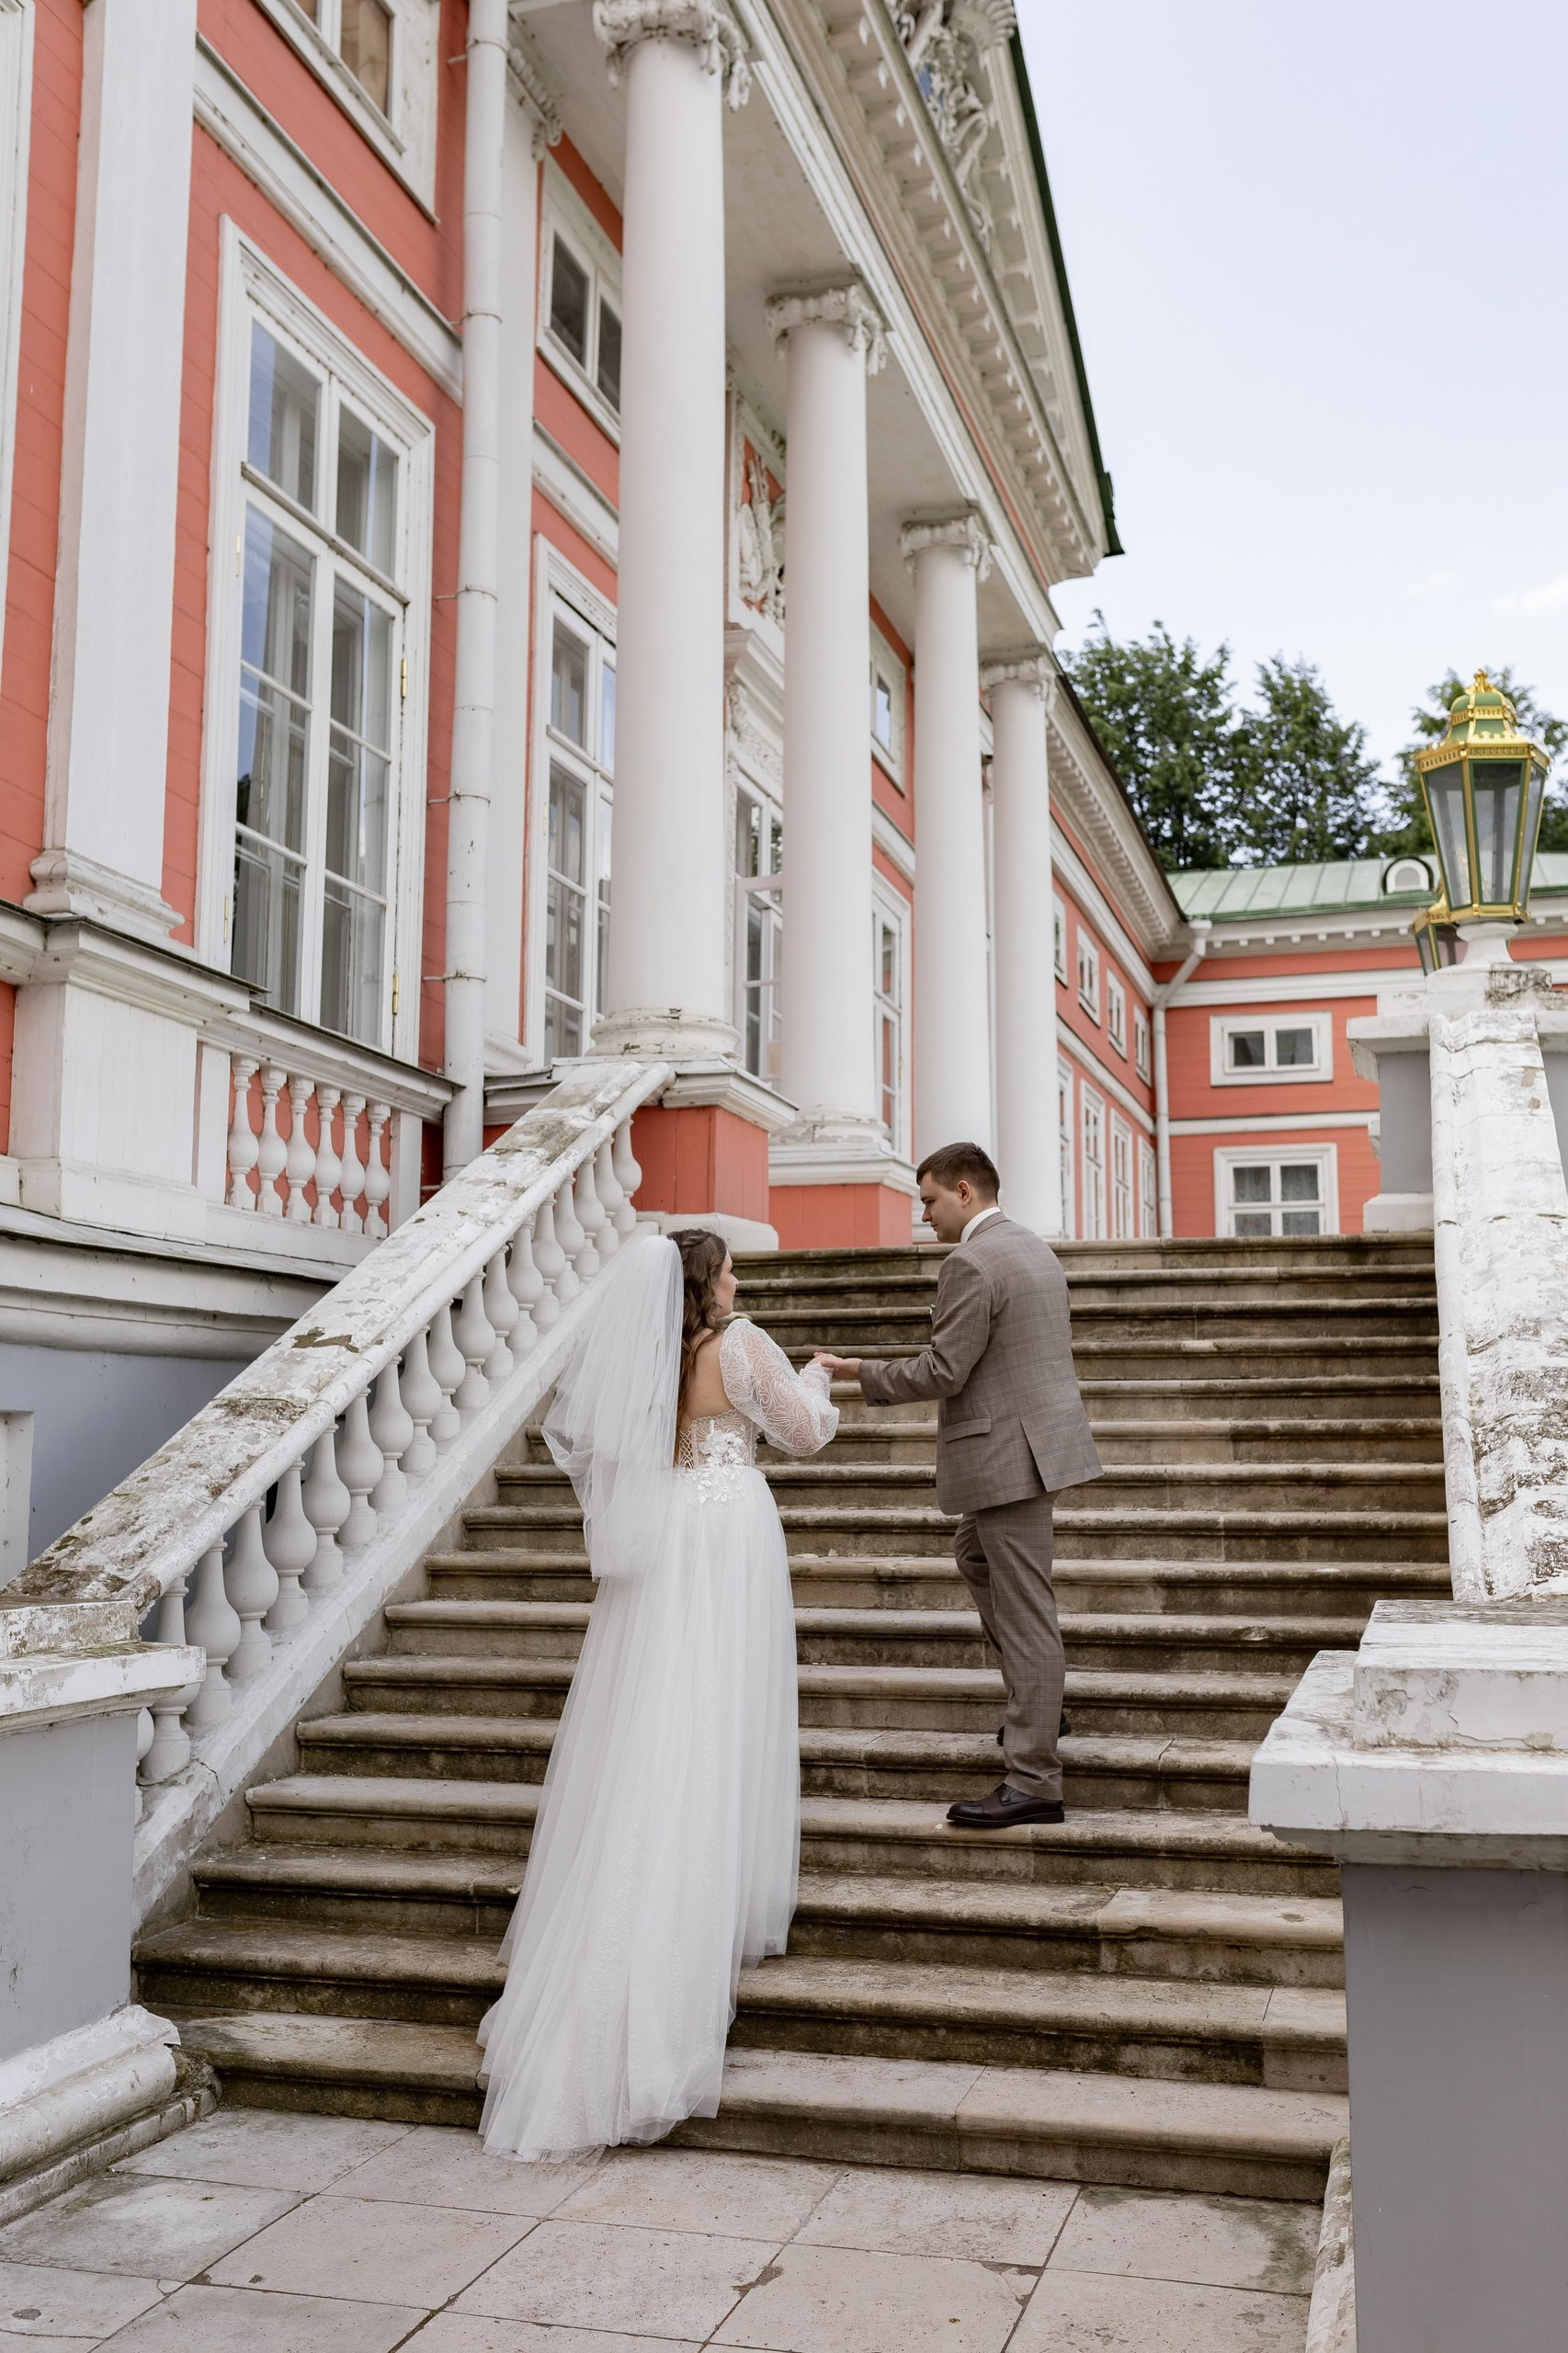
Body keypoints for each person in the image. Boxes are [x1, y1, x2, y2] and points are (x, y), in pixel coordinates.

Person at [478, 1226, 837, 2161]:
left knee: (657, 1725)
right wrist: (817, 1379)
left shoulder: (650, 1357)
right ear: (705, 1283)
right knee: (715, 1718)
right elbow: (802, 1434)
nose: (738, 1281)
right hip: (726, 1537)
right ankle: (664, 1979)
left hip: (668, 1536)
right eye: (730, 1270)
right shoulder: (741, 1346)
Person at [816, 1141, 1100, 1827]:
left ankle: (1035, 1781)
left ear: (965, 1191)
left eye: (930, 1201)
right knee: (974, 1557)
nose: (925, 1216)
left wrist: (858, 1371)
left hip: (1009, 1458)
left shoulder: (969, 1262)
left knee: (1026, 1613)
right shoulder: (1031, 1246)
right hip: (1036, 1446)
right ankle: (1040, 1707)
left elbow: (944, 1370)